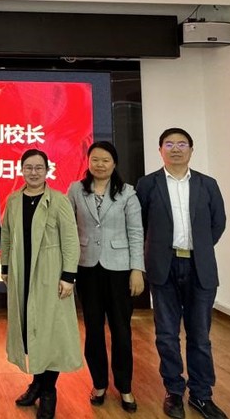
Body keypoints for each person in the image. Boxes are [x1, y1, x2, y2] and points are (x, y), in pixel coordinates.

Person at [136, 128, 227, 419]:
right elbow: (140, 224)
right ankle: (174, 391)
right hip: (163, 267)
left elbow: (218, 223)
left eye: (182, 144)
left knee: (200, 336)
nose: (176, 149)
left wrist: (199, 248)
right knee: (166, 335)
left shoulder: (207, 184)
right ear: (160, 150)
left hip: (200, 267)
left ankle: (201, 395)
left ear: (191, 149)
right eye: (169, 144)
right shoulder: (147, 184)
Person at [0, 149, 82, 419]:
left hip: (50, 276)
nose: (33, 172)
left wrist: (68, 276)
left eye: (38, 167)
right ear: (21, 169)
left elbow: (70, 240)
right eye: (28, 167)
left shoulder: (58, 200)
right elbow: (6, 234)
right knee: (29, 330)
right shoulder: (14, 200)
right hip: (22, 275)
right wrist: (6, 267)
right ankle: (36, 383)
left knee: (51, 333)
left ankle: (48, 391)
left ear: (47, 170)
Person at [67, 141, 144, 413]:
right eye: (95, 159)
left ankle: (124, 387)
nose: (100, 164)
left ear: (114, 164)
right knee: (93, 329)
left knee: (121, 330)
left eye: (105, 160)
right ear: (88, 162)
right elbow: (68, 228)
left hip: (120, 269)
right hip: (87, 268)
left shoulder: (127, 193)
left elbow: (136, 232)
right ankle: (99, 383)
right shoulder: (76, 190)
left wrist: (137, 269)